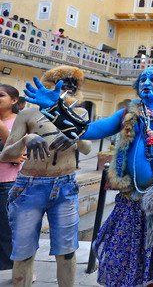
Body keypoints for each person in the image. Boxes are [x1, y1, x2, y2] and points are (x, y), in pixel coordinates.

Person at [24, 66, 153, 287]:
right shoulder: (128, 112)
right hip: (133, 200)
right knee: (137, 266)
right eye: (143, 78)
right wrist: (54, 108)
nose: (147, 81)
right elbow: (88, 130)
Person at [0, 67, 92, 287]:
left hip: (65, 186)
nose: (68, 86)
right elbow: (5, 154)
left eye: (72, 83)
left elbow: (87, 148)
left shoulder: (80, 114)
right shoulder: (28, 114)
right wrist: (26, 139)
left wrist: (74, 134)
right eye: (62, 81)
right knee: (23, 252)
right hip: (29, 187)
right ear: (49, 84)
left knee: (67, 252)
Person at [0, 84, 25, 273]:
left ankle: (20, 269)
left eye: (0, 96)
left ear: (14, 101)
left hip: (9, 182)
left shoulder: (20, 123)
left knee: (8, 229)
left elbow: (16, 152)